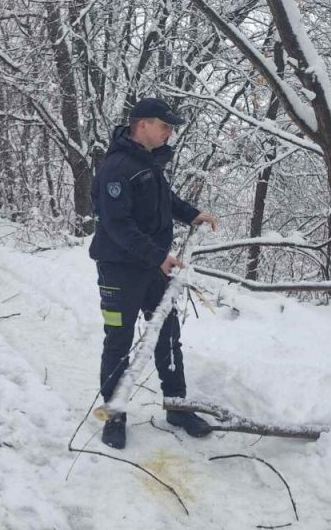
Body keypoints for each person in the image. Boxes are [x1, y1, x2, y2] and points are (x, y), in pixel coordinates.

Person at [89, 97, 218, 449]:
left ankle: (176, 406)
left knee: (168, 333)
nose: (170, 133)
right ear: (142, 124)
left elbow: (164, 200)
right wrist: (158, 255)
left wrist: (193, 214)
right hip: (119, 269)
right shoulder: (116, 168)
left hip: (152, 266)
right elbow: (117, 225)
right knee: (119, 340)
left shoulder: (148, 164)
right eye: (165, 126)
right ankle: (114, 417)